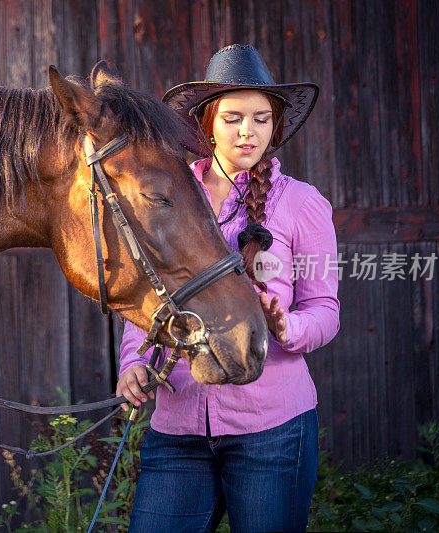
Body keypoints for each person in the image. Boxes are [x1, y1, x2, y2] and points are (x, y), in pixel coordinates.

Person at [116, 44, 340, 532]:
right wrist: (134, 362)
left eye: (262, 119)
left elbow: (326, 309)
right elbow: (148, 289)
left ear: (275, 126)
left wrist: (288, 324)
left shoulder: (302, 205)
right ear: (206, 123)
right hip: (176, 427)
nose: (248, 131)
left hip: (272, 430)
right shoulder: (168, 196)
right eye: (233, 117)